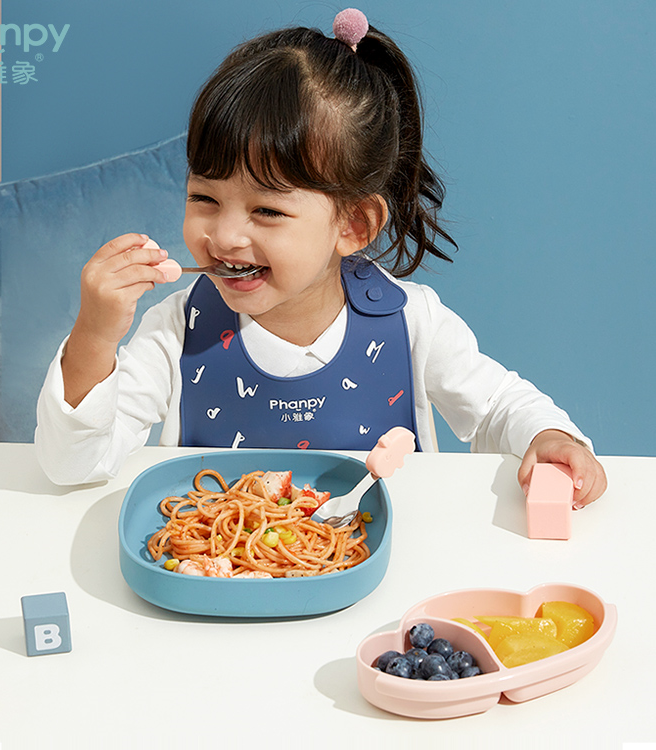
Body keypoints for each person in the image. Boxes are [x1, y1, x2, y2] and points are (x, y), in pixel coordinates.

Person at [35, 10, 606, 508]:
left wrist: (551, 436)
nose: (226, 235)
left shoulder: (410, 321)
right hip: (216, 585)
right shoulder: (178, 331)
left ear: (353, 225)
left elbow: (499, 407)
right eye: (204, 198)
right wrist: (94, 336)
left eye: (267, 212)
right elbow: (73, 466)